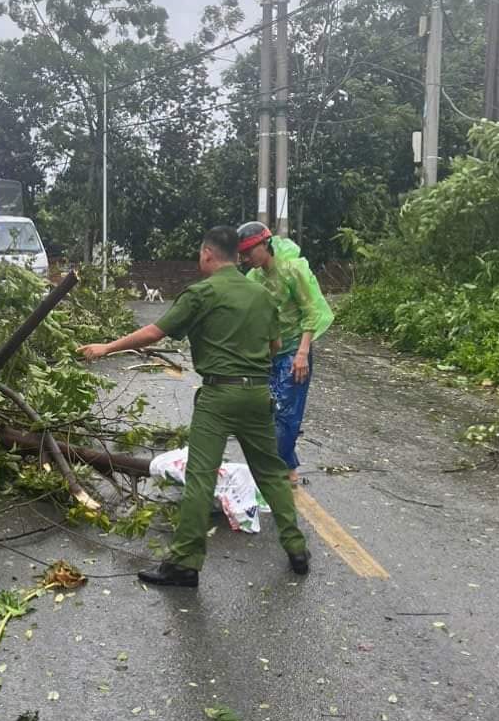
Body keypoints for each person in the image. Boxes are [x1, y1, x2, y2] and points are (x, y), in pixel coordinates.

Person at [77, 225, 310, 586]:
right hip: (256, 394)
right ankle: (296, 548)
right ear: (237, 255)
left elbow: (154, 332)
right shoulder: (262, 296)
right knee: (270, 472)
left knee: (201, 477)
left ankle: (186, 563)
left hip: (218, 397)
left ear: (207, 254)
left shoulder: (201, 294)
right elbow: (275, 346)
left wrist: (105, 348)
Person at [237, 223, 334, 488]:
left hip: (295, 351)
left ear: (264, 245)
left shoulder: (292, 270)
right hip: (270, 354)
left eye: (248, 252)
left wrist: (302, 353)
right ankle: (289, 471)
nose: (245, 259)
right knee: (269, 411)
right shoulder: (254, 279)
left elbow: (311, 311)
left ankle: (267, 474)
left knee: (287, 414)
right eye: (241, 254)